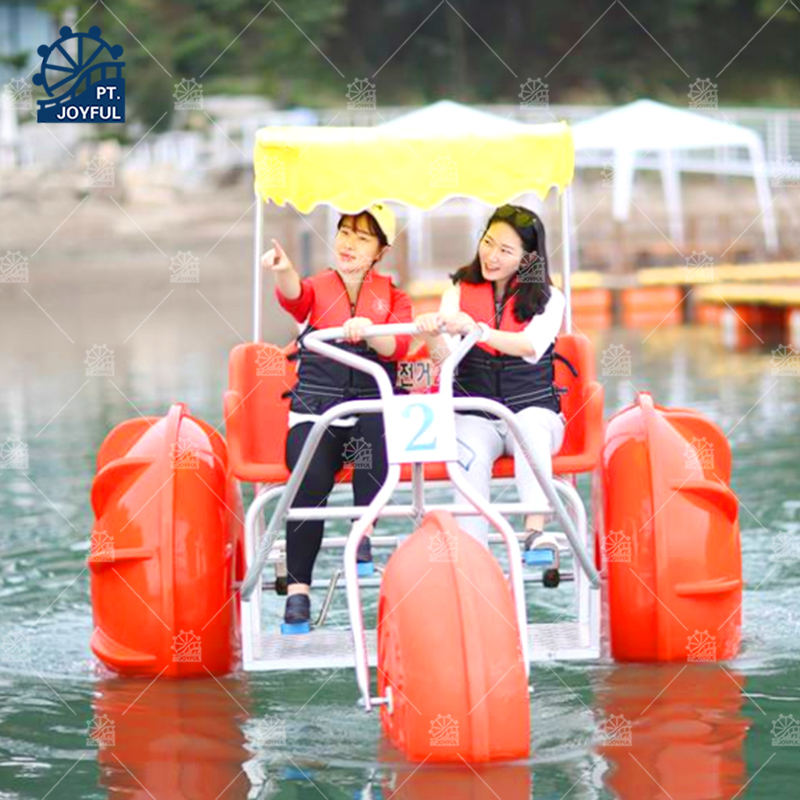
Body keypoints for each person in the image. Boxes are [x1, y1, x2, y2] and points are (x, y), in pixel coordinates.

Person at [264, 203, 412, 630]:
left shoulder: (395, 298)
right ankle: (298, 593)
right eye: (345, 232)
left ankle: (362, 533)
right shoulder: (315, 288)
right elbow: (294, 298)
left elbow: (397, 348)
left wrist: (371, 330)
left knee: (375, 431)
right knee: (309, 479)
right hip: (316, 412)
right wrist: (283, 270)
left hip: (366, 410)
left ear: (380, 251)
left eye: (362, 238)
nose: (349, 243)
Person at [416, 204, 567, 549]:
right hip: (476, 416)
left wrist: (479, 331)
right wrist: (431, 336)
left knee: (530, 429)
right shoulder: (457, 292)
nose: (492, 256)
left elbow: (530, 346)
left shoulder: (551, 299)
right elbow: (446, 360)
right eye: (488, 242)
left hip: (532, 413)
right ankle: (473, 551)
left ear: (527, 259)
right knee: (466, 448)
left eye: (505, 250)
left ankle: (535, 532)